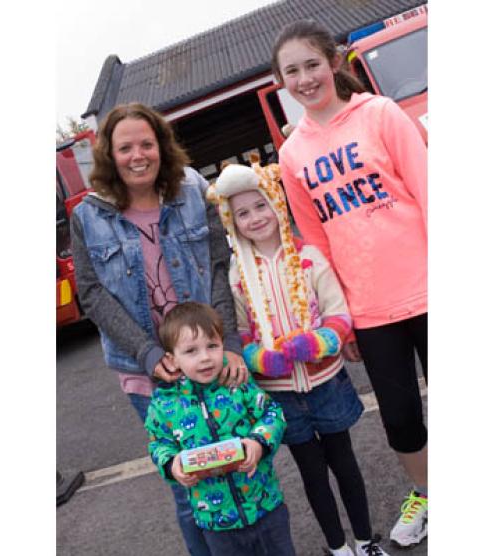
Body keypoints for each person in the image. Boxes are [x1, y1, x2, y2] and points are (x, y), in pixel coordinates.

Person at [270, 20, 429, 548]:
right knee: (402, 419)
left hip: (429, 285)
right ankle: (427, 494)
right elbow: (312, 242)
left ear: (334, 62)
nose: (305, 78)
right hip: (369, 307)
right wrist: (339, 318)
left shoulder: (380, 115)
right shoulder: (292, 155)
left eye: (311, 64)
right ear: (281, 82)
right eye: (291, 71)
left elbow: (428, 190)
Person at [70, 102, 249, 556]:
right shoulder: (87, 216)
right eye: (125, 146)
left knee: (240, 474)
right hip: (144, 374)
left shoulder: (191, 190)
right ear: (108, 154)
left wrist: (227, 343)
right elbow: (91, 293)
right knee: (189, 488)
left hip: (209, 359)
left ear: (161, 146)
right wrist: (149, 355)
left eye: (146, 144)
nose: (138, 155)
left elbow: (217, 264)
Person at [208, 161, 390, 556]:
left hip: (327, 383)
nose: (254, 218)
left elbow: (339, 313)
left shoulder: (309, 256)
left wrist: (316, 343)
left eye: (260, 206)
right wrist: (258, 358)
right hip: (280, 394)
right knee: (312, 473)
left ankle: (364, 540)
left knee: (344, 462)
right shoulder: (239, 272)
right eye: (242, 213)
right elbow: (239, 331)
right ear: (231, 221)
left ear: (277, 203)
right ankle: (338, 547)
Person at [145, 301, 295, 556]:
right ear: (173, 359)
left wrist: (258, 443)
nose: (205, 357)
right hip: (215, 522)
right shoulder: (164, 403)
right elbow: (158, 443)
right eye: (191, 351)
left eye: (212, 346)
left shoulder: (237, 383)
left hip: (266, 506)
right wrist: (172, 464)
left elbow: (272, 413)